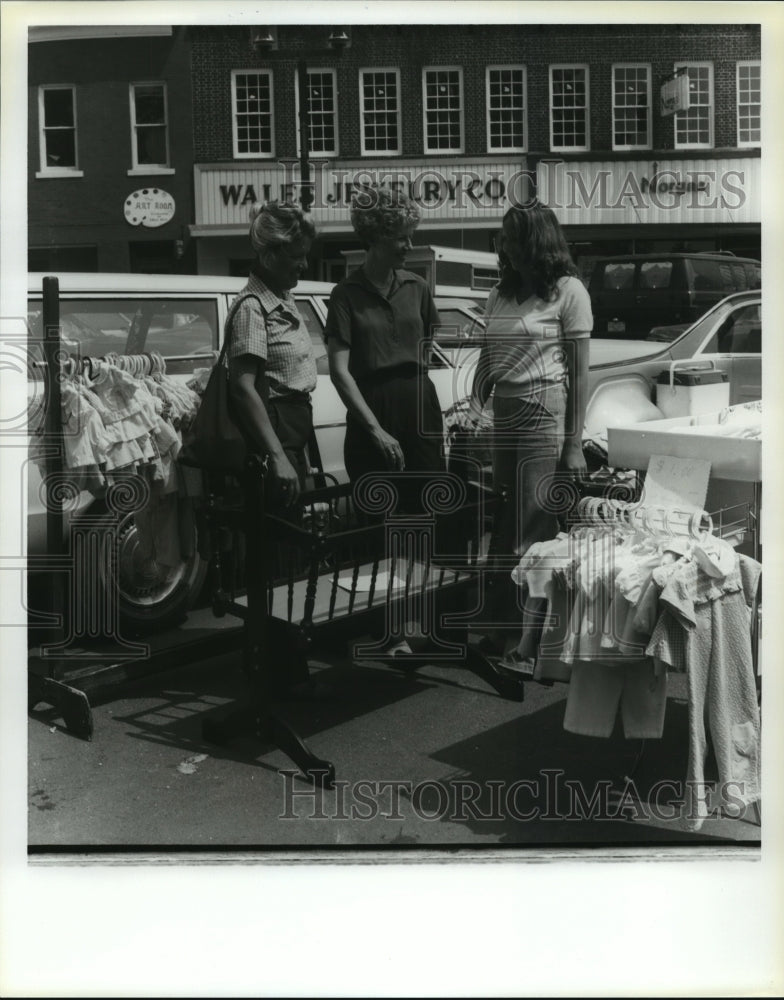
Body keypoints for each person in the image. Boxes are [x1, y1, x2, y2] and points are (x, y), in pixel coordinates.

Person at [467, 201, 592, 665]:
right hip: (505, 411)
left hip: (544, 411)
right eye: (503, 238)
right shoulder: (500, 294)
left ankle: (530, 642)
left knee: (533, 527)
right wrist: (474, 407)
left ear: (535, 241)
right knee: (504, 526)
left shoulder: (568, 291)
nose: (504, 247)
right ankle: (501, 630)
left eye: (512, 238)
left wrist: (574, 442)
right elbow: (487, 359)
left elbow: (580, 374)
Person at [325, 184, 446, 655]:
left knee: (425, 515)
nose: (409, 246)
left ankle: (422, 621)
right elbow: (339, 371)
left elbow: (427, 348)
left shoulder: (417, 287)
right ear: (376, 237)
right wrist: (374, 427)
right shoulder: (346, 293)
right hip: (372, 409)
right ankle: (392, 629)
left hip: (419, 406)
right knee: (384, 521)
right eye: (402, 237)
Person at [226, 200, 320, 697]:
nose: (302, 266)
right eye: (294, 257)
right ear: (266, 255)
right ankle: (272, 675)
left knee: (290, 550)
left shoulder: (283, 300)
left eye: (305, 255)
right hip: (274, 434)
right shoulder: (252, 309)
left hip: (292, 428)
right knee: (277, 554)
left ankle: (284, 668)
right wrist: (280, 456)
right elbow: (243, 388)